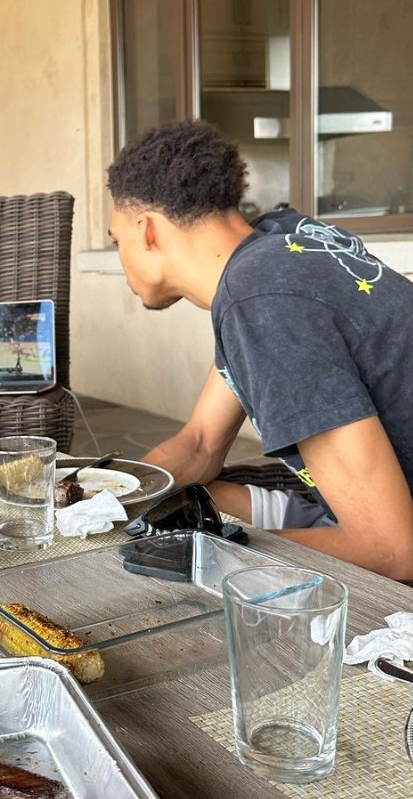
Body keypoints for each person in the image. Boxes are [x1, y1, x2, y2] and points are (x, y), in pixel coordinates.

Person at [106, 119, 413, 579]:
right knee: (163, 515)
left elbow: (392, 550)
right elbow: (199, 446)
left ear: (146, 229)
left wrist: (207, 555)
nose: (119, 254)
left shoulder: (262, 300)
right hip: (368, 509)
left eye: (117, 240)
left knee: (169, 559)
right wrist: (105, 496)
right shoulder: (277, 247)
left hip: (389, 536)